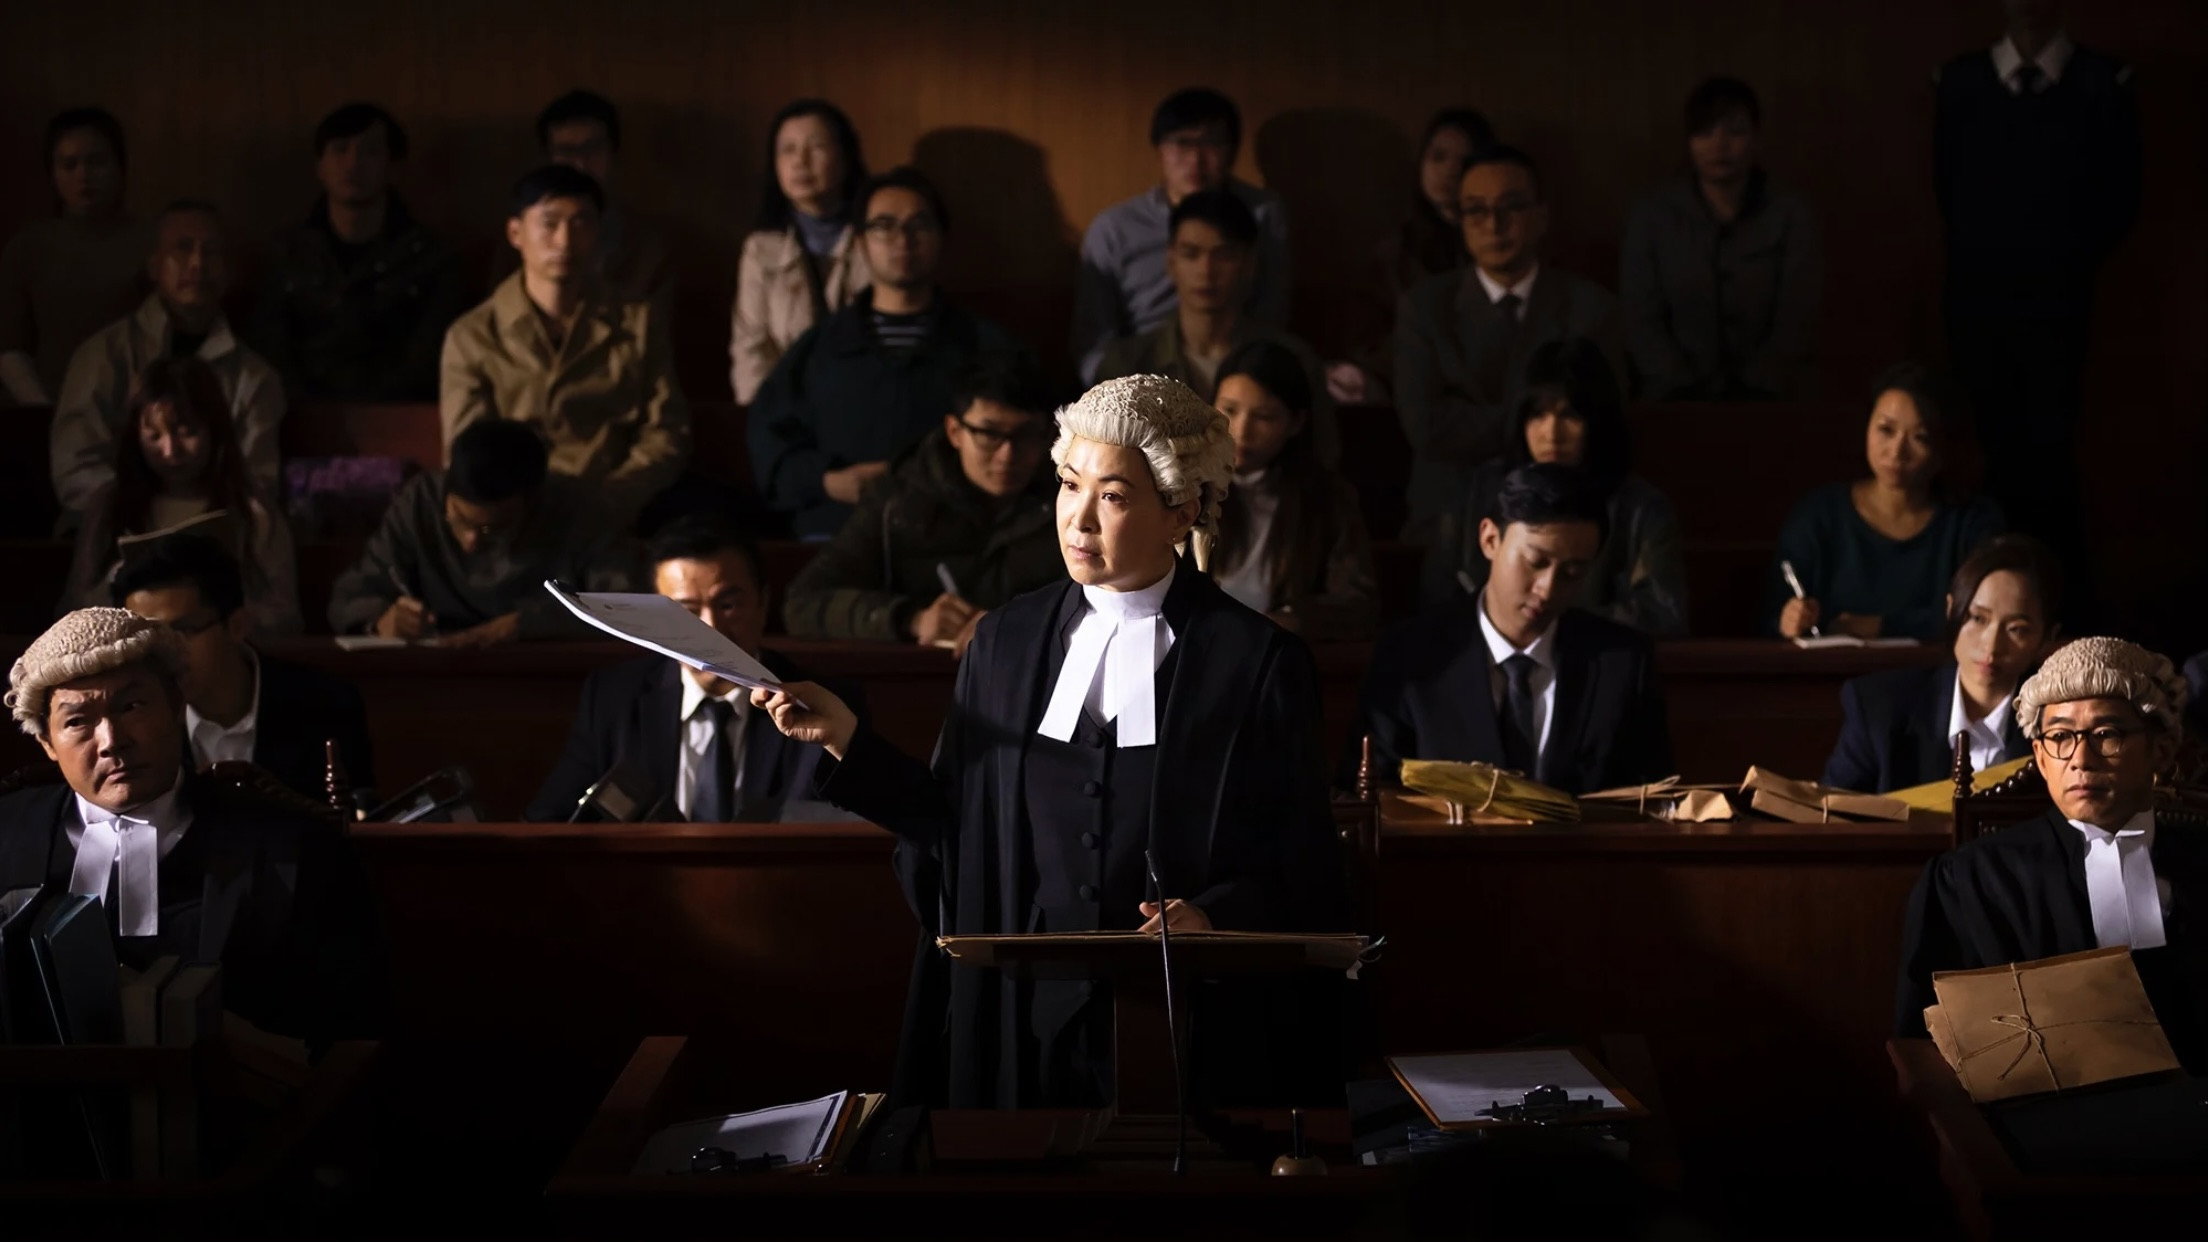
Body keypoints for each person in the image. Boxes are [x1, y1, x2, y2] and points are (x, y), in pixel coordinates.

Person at [751, 374, 1348, 1108]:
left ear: (1181, 511)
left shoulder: (1256, 662)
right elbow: (957, 832)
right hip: (1025, 1015)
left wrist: (1215, 915)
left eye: (1114, 496)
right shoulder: (1005, 641)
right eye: (1069, 486)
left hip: (1189, 1017)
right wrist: (847, 740)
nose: (1079, 520)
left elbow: (1302, 858)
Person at [0, 608, 383, 1047]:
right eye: (77, 721)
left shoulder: (295, 847)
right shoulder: (7, 834)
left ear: (177, 704)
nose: (111, 741)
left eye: (131, 706)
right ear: (46, 742)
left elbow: (353, 1029)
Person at [1897, 637, 2208, 1069]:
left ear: (2161, 749)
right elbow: (1924, 1045)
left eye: (2107, 734)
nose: (2081, 759)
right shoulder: (1968, 880)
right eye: (2060, 736)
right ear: (2041, 758)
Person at [1936, 0, 2139, 609]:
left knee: (2053, 462)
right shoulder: (1960, 82)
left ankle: (2054, 613)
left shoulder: (2104, 82)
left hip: (2064, 310)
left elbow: (2119, 201)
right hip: (1978, 309)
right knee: (1988, 457)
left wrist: (2054, 263)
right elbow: (1950, 195)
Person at [1351, 462, 1672, 793]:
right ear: (1490, 539)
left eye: (1573, 573)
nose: (1547, 589)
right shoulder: (1409, 656)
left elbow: (1653, 798)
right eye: (1535, 562)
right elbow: (1370, 793)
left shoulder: (1622, 664)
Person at [748, 167, 1021, 539]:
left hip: (956, 534)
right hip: (837, 531)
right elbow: (770, 441)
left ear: (941, 237)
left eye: (919, 225)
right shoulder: (818, 348)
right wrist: (827, 480)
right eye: (884, 226)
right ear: (861, 241)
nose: (902, 240)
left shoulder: (986, 345)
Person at [527, 516, 849, 823]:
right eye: (687, 613)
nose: (712, 628)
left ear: (763, 603)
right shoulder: (613, 699)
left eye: (728, 605)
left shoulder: (825, 704)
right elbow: (547, 820)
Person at [441, 164, 690, 532]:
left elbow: (665, 431)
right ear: (515, 233)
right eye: (549, 224)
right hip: (516, 517)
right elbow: (467, 452)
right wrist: (523, 505)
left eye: (581, 223)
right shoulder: (474, 335)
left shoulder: (637, 323)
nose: (565, 241)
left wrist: (615, 496)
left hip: (615, 508)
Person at [1394, 145, 1623, 542]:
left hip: (1563, 513)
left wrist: (1475, 419)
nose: (1494, 224)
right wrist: (1536, 424)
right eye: (1476, 210)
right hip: (1448, 516)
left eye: (1511, 207)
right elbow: (1427, 426)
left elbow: (1602, 420)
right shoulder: (1425, 308)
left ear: (1541, 215)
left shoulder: (1590, 309)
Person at [782, 355, 1064, 652]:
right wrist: (910, 619)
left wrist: (1015, 625)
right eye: (989, 435)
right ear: (955, 432)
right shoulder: (897, 501)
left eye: (1026, 435)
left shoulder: (1070, 499)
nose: (1007, 454)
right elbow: (803, 604)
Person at [1421, 338, 1687, 636]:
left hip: (1594, 658)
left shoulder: (1640, 508)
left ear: (1598, 421)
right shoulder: (1477, 492)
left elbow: (1663, 614)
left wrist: (1545, 623)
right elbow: (1437, 600)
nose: (1552, 433)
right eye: (1538, 414)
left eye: (1570, 415)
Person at [50, 200, 285, 529]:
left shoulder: (254, 378)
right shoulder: (102, 357)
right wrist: (141, 519)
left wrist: (196, 523)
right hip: (115, 529)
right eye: (183, 248)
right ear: (154, 265)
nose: (198, 263)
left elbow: (256, 481)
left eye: (211, 252)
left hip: (214, 538)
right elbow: (77, 465)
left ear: (228, 270)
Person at [327, 417, 642, 645]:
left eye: (493, 529)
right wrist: (381, 621)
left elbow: (627, 605)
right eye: (459, 520)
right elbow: (349, 596)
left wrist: (531, 624)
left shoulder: (580, 510)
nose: (470, 543)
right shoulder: (420, 503)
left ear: (532, 504)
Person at [112, 534, 375, 806]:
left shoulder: (327, 705)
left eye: (183, 631)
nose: (165, 654)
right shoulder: (135, 722)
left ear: (237, 625)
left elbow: (354, 816)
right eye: (150, 639)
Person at [1093, 189, 1337, 463]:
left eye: (1224, 255)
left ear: (1249, 264)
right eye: (1191, 254)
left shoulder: (1294, 360)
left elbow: (1322, 463)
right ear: (1171, 262)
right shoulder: (1128, 364)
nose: (1206, 271)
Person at [61, 357, 301, 634]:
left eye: (187, 433)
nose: (170, 450)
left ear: (214, 430)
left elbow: (283, 614)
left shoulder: (251, 511)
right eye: (154, 436)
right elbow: (76, 605)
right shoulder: (110, 508)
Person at [1620, 76, 1821, 401]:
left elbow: (1798, 314)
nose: (1720, 144)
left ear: (1756, 138)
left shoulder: (1789, 213)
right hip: (1672, 398)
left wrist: (1761, 384)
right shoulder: (1653, 216)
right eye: (1705, 133)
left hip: (1772, 398)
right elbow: (1640, 317)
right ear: (1689, 141)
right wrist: (1677, 383)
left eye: (1735, 131)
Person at [1772, 363, 2005, 642]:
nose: (1897, 451)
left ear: (1943, 445)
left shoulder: (1972, 523)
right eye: (1886, 429)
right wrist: (1788, 619)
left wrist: (1880, 626)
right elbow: (1771, 615)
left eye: (1920, 437)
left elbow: (1987, 615)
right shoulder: (1819, 516)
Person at [1071, 87, 1290, 384]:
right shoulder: (1115, 228)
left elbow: (1272, 311)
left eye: (1212, 143)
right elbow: (1093, 335)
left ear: (1233, 150)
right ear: (1159, 148)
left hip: (1240, 366)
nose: (1196, 159)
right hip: (1141, 369)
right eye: (1182, 143)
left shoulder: (1261, 213)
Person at [251, 102, 466, 402]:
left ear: (393, 168)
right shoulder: (287, 253)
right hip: (302, 415)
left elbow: (429, 358)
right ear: (320, 167)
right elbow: (271, 349)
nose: (353, 163)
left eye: (370, 151)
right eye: (340, 150)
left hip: (400, 414)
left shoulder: (430, 256)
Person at [1824, 535, 2061, 792]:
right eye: (1978, 619)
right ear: (1951, 610)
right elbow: (1832, 809)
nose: (1991, 646)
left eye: (2017, 629)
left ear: (2047, 638)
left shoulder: (2061, 722)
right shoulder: (1878, 708)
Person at [1209, 341, 1377, 641]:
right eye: (1229, 410)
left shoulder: (1326, 498)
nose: (1241, 431)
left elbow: (1356, 603)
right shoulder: (1186, 488)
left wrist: (1291, 621)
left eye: (1263, 417)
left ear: (1295, 423)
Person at [1329, 107, 1496, 405]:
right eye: (1438, 157)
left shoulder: (1498, 244)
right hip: (1405, 384)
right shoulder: (1394, 253)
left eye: (1464, 161)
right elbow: (1366, 342)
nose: (1449, 171)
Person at [729, 99, 871, 405]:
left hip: (864, 404)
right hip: (787, 411)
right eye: (788, 149)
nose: (800, 161)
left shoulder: (876, 238)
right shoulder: (760, 249)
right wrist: (766, 416)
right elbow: (751, 348)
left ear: (845, 157)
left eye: (816, 147)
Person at [0, 108, 144, 406]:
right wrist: (44, 410)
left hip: (132, 408)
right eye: (69, 165)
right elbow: (10, 348)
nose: (83, 176)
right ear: (52, 174)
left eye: (96, 162)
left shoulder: (151, 243)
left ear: (119, 166)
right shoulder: (28, 248)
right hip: (46, 406)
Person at [530, 89, 673, 311]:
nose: (580, 165)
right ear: (549, 158)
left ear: (612, 153)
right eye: (566, 151)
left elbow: (657, 324)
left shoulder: (646, 247)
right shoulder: (523, 240)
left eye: (592, 149)